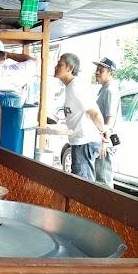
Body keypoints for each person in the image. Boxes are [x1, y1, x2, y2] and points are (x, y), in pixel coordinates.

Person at [54, 53, 108, 182]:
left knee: (83, 184)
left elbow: (94, 112)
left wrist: (103, 131)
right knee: (80, 181)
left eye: (60, 65)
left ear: (70, 68)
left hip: (85, 142)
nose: (56, 67)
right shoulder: (69, 87)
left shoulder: (76, 86)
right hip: (80, 142)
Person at [93, 57, 120, 188]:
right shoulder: (104, 88)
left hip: (105, 142)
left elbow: (110, 118)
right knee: (98, 179)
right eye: (97, 69)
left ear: (110, 72)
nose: (97, 72)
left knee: (103, 181)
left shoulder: (110, 90)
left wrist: (104, 142)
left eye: (101, 70)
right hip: (101, 139)